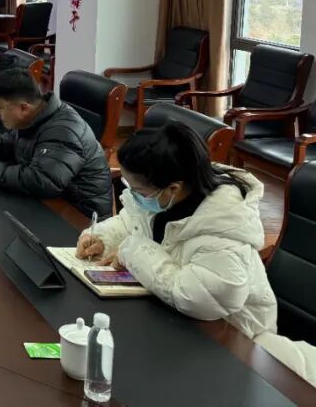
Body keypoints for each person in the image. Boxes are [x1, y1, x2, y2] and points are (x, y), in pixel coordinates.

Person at [73, 121, 316, 387]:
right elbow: (133, 220)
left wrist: (131, 252)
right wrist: (103, 238)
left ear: (173, 188)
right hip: (172, 318)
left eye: (138, 192)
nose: (133, 196)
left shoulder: (223, 227)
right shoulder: (163, 196)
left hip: (232, 340)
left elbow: (199, 297)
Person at [0, 68, 113, 218]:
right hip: (50, 203)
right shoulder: (37, 115)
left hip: (78, 217)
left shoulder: (63, 131)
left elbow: (42, 181)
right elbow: (15, 142)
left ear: (24, 107)